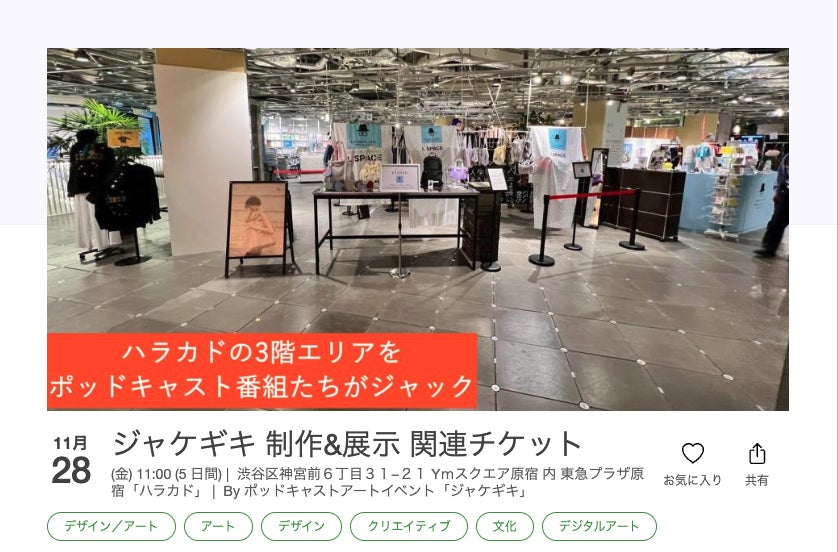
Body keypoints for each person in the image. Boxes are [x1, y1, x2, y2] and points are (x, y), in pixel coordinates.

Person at [754, 153, 789, 258]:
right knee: (776, 222)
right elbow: (781, 175)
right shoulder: (788, 158)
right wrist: (777, 191)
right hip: (786, 192)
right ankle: (769, 248)